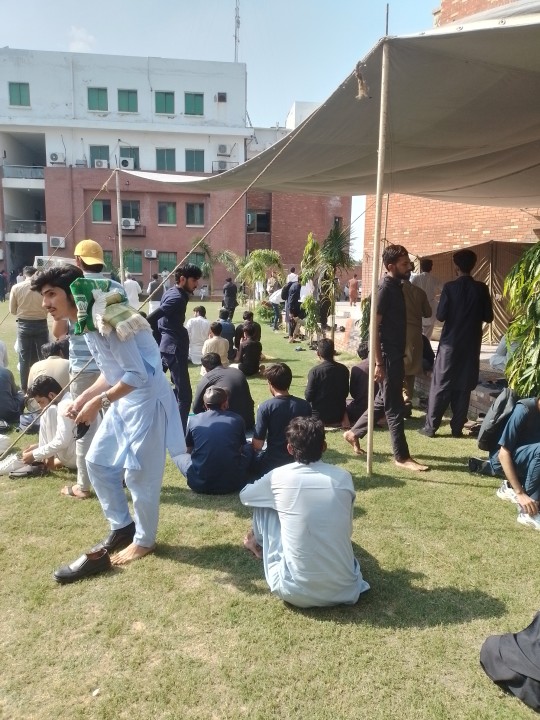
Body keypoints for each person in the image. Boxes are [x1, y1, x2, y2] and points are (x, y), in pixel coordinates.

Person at [32, 264, 186, 580]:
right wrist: (84, 398)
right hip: (125, 398)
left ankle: (144, 541)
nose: (46, 303)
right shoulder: (86, 318)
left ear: (72, 293)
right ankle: (122, 527)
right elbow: (112, 371)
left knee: (139, 475)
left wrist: (96, 404)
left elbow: (137, 374)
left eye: (51, 294)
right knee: (98, 462)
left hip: (147, 401)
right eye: (43, 296)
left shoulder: (106, 318)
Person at [241, 416, 370, 608]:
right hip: (345, 588)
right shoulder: (343, 477)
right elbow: (348, 529)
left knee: (263, 503)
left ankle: (256, 542)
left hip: (293, 590)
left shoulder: (278, 476)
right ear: (324, 446)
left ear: (289, 448)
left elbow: (245, 496)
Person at [343, 245, 428, 471]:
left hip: (396, 354)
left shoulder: (398, 286)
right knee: (394, 406)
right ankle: (402, 456)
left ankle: (354, 432)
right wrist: (379, 363)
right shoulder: (385, 289)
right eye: (404, 264)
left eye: (408, 262)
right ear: (391, 266)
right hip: (387, 357)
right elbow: (374, 328)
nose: (409, 267)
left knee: (383, 400)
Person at [52, 238, 121, 500]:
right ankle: (119, 476)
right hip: (113, 366)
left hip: (83, 368)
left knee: (83, 427)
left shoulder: (71, 289)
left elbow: (58, 332)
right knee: (116, 424)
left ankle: (83, 485)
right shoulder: (115, 287)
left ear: (78, 261)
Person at [419, 249, 493, 438]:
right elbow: (489, 317)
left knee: (441, 384)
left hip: (449, 344)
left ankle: (431, 428)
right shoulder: (482, 288)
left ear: (456, 266)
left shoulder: (450, 288)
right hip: (471, 345)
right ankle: (457, 428)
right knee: (464, 385)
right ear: (473, 265)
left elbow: (441, 315)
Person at [147, 264, 202, 431]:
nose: (196, 284)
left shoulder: (171, 292)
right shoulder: (176, 298)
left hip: (166, 348)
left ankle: (165, 422)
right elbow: (153, 318)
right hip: (174, 349)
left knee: (155, 386)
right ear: (183, 279)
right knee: (185, 396)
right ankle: (179, 434)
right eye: (194, 280)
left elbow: (161, 321)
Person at [177, 387, 252, 494]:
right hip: (232, 483)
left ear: (205, 404)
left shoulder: (193, 420)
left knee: (179, 455)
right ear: (225, 403)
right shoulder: (237, 419)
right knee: (248, 446)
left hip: (199, 484)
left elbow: (188, 450)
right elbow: (240, 448)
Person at [489, 397, 540, 530]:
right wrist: (520, 493)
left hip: (529, 460)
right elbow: (503, 454)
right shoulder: (523, 410)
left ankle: (509, 486)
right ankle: (528, 511)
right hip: (503, 461)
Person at [251, 363, 312, 476]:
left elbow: (258, 445)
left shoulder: (265, 407)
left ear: (270, 383)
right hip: (299, 461)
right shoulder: (305, 405)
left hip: (273, 463)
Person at [21, 375, 77, 471]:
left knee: (48, 410)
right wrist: (38, 447)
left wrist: (34, 454)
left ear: (51, 395)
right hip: (79, 454)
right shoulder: (70, 397)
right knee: (48, 410)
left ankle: (48, 463)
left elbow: (62, 442)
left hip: (77, 457)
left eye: (41, 402)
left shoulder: (64, 405)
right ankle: (46, 457)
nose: (40, 406)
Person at [9, 265, 49, 391]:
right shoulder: (41, 287)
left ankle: (24, 388)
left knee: (24, 358)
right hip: (41, 323)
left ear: (23, 274)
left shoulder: (16, 287)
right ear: (35, 273)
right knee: (43, 356)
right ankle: (44, 386)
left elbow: (12, 310)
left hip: (24, 325)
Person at [192, 353, 255, 430]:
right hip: (248, 422)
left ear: (205, 368)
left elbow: (196, 408)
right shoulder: (238, 372)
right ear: (220, 361)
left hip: (227, 426)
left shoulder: (208, 377)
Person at [402, 262, 432, 414]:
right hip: (415, 336)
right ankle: (407, 400)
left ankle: (398, 402)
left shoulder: (393, 290)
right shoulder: (420, 292)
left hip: (398, 335)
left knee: (397, 370)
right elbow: (428, 313)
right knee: (410, 372)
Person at [305, 339, 350, 426]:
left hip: (318, 417)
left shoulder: (314, 372)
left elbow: (308, 397)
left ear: (318, 353)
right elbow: (345, 393)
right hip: (338, 415)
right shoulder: (344, 370)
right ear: (334, 352)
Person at [347, 341, 379, 425]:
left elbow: (353, 392)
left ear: (361, 356)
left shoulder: (356, 368)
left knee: (346, 404)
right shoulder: (381, 367)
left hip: (360, 410)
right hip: (380, 409)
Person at [411, 258, 441, 340]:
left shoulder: (416, 278)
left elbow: (410, 290)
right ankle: (426, 344)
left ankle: (420, 345)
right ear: (431, 268)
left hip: (418, 306)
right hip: (431, 306)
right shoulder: (435, 279)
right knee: (428, 333)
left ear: (421, 267)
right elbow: (444, 289)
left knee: (418, 330)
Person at [287, 278, 302, 342]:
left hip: (292, 306)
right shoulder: (297, 287)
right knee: (293, 321)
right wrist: (291, 310)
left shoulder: (294, 285)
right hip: (294, 307)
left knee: (293, 321)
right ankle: (291, 337)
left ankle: (292, 336)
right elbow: (292, 298)